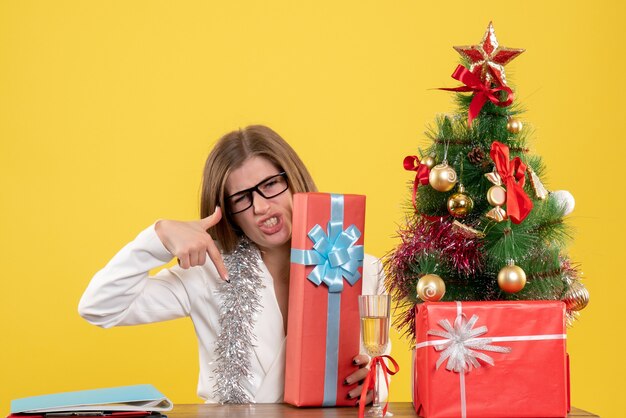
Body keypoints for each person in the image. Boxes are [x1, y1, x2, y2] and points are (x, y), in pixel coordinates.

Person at [78, 125, 386, 404]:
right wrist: (158, 237)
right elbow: (99, 306)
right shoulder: (205, 275)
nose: (261, 207)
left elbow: (381, 372)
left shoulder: (362, 268)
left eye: (270, 184)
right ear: (228, 212)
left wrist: (372, 384)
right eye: (241, 198)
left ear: (293, 181)